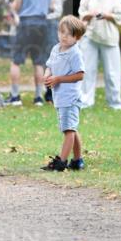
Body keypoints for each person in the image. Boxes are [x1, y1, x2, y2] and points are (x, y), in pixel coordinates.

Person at [78, 0, 121, 110]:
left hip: (109, 39)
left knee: (112, 73)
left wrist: (106, 15)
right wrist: (90, 14)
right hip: (90, 36)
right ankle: (86, 101)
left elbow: (119, 17)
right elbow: (81, 14)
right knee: (87, 71)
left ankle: (115, 102)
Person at [8, 0, 53, 106]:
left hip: (25, 23)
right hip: (42, 23)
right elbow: (50, 4)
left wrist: (10, 8)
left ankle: (15, 96)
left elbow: (17, 4)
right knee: (39, 62)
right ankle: (38, 97)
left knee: (16, 60)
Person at [41, 16, 86, 171]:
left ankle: (61, 162)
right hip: (60, 97)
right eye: (61, 32)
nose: (64, 36)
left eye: (69, 34)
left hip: (70, 98)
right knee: (71, 128)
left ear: (77, 37)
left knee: (68, 130)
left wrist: (58, 79)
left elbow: (80, 75)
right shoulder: (56, 48)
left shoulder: (75, 53)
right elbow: (49, 66)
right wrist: (47, 74)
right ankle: (77, 161)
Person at [42, 0, 70, 103]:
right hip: (56, 23)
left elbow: (50, 6)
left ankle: (50, 93)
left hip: (49, 22)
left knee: (49, 58)